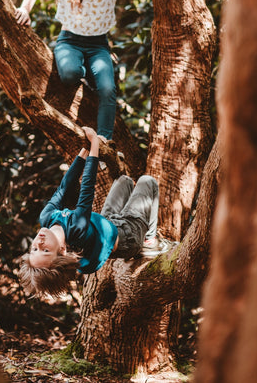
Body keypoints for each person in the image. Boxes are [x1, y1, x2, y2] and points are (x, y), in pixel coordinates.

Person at [18, 127, 173, 297]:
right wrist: (94, 145)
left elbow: (64, 187)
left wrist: (84, 150)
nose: (38, 244)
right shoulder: (76, 229)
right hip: (129, 235)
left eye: (34, 250)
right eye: (45, 251)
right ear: (62, 250)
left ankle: (140, 231)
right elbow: (87, 188)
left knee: (125, 181)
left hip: (107, 222)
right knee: (147, 181)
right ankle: (150, 241)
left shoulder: (46, 218)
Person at [14, 0, 147, 142]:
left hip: (98, 46)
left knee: (108, 90)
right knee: (71, 73)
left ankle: (104, 141)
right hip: (69, 42)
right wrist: (25, 8)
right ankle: (88, 73)